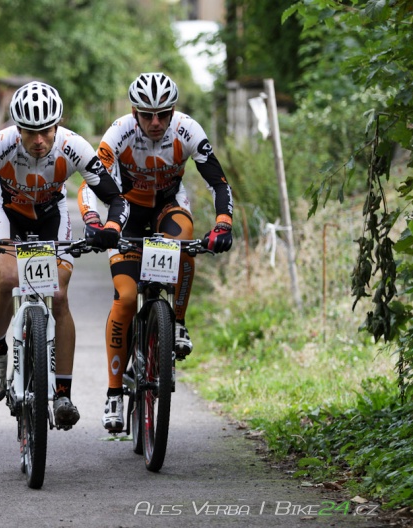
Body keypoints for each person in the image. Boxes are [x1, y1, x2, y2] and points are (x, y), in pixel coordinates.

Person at [0, 81, 128, 428]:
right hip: (7, 211)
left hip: (51, 215)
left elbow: (116, 199)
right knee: (9, 278)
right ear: (17, 128)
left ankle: (63, 394)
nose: (39, 140)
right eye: (29, 132)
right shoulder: (0, 145)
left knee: (58, 295)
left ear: (56, 126)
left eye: (45, 131)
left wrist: (111, 230)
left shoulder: (74, 147)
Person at [78, 72, 234, 433]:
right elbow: (90, 182)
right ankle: (114, 394)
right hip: (127, 216)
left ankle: (176, 323)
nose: (155, 122)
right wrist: (92, 220)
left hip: (167, 208)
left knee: (187, 238)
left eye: (163, 114)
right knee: (126, 298)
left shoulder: (187, 130)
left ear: (173, 111)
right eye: (147, 114)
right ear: (134, 112)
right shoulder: (118, 132)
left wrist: (224, 223)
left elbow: (218, 182)